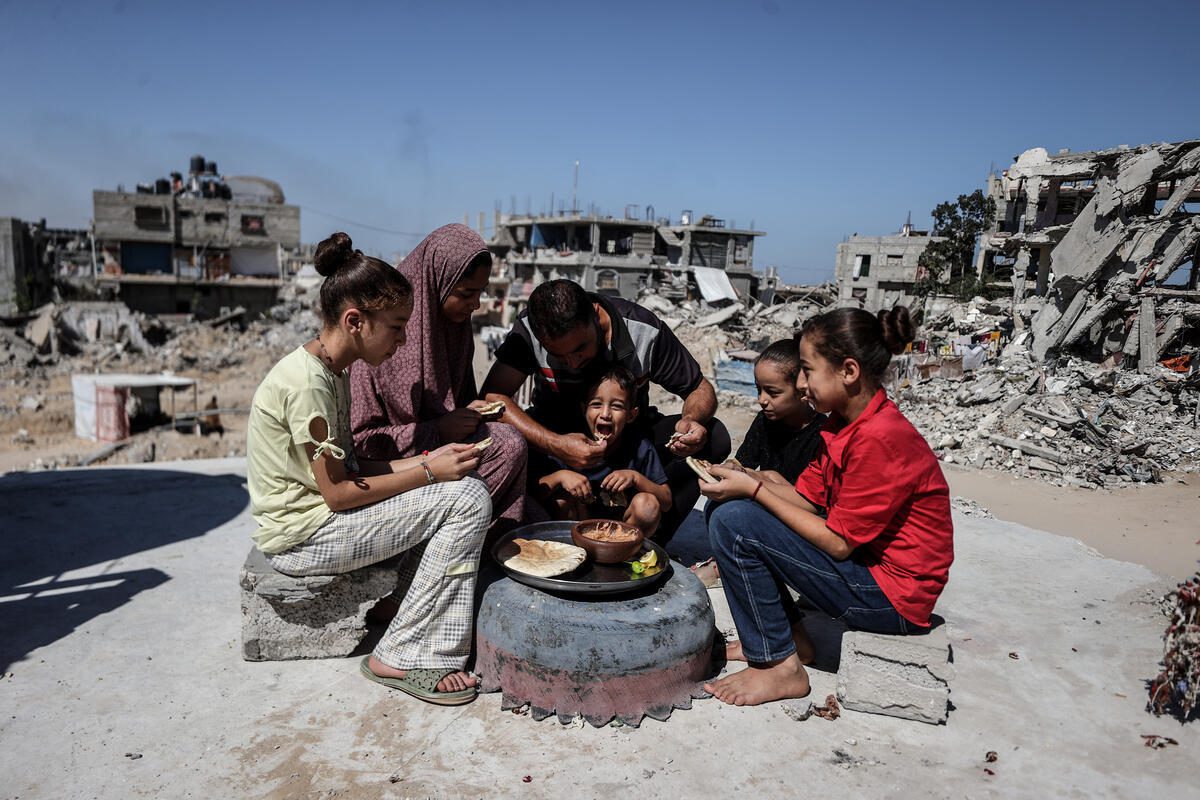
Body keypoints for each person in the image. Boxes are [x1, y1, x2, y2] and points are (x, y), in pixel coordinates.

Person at [246, 231, 491, 707]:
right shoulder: (309, 386)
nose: (403, 340)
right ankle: (403, 653)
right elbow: (338, 494)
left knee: (456, 485)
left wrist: (425, 461)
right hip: (302, 539)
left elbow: (357, 465)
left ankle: (404, 613)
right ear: (355, 321)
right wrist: (428, 474)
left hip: (320, 523)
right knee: (466, 500)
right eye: (397, 326)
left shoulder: (330, 370)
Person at [700, 306, 953, 707]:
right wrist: (737, 479)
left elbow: (838, 543)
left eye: (807, 370)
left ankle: (781, 668)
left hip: (892, 598)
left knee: (736, 520)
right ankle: (784, 643)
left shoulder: (879, 438)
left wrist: (753, 491)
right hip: (869, 572)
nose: (801, 384)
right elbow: (806, 498)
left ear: (848, 371)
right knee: (725, 509)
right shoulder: (842, 422)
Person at [480, 279, 730, 541]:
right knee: (500, 438)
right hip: (551, 438)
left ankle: (648, 538)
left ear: (596, 313)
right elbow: (491, 398)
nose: (573, 363)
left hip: (626, 437)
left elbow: (698, 388)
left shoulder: (642, 330)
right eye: (559, 356)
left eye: (580, 348)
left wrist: (691, 421)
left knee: (714, 436)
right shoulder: (529, 329)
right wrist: (555, 444)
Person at [349, 223, 532, 540]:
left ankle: (481, 536)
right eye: (466, 293)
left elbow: (453, 403)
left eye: (480, 293)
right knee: (508, 446)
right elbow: (361, 443)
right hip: (388, 477)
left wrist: (467, 413)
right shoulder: (380, 341)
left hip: (439, 457)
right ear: (437, 283)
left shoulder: (454, 331)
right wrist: (438, 430)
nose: (475, 304)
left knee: (512, 447)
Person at [537, 365, 672, 536]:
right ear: (583, 409)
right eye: (596, 404)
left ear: (631, 415)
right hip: (574, 531)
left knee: (647, 504)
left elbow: (666, 501)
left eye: (616, 406)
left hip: (619, 533)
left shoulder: (640, 448)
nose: (605, 414)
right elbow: (535, 494)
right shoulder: (570, 445)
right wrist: (560, 477)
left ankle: (625, 554)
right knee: (561, 500)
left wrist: (636, 478)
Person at [735, 339, 826, 485]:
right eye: (759, 390)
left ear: (803, 390)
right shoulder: (764, 421)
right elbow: (743, 462)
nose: (762, 400)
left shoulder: (821, 435)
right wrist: (730, 467)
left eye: (773, 393)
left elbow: (807, 498)